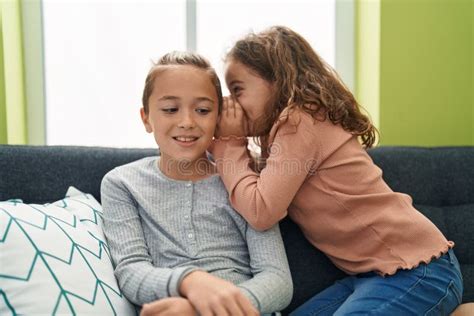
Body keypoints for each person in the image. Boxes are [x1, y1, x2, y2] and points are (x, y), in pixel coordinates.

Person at [210, 26, 463, 315]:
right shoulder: (284, 136)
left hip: (418, 270)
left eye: (237, 90)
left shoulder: (299, 120)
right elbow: (254, 186)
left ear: (277, 80)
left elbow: (261, 210)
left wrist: (229, 145)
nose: (232, 104)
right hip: (372, 277)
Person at [100, 51, 293, 316]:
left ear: (218, 118)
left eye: (202, 110)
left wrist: (202, 310)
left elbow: (277, 279)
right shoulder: (121, 183)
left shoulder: (245, 181)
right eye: (170, 109)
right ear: (146, 118)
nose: (187, 122)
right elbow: (131, 271)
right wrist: (190, 282)